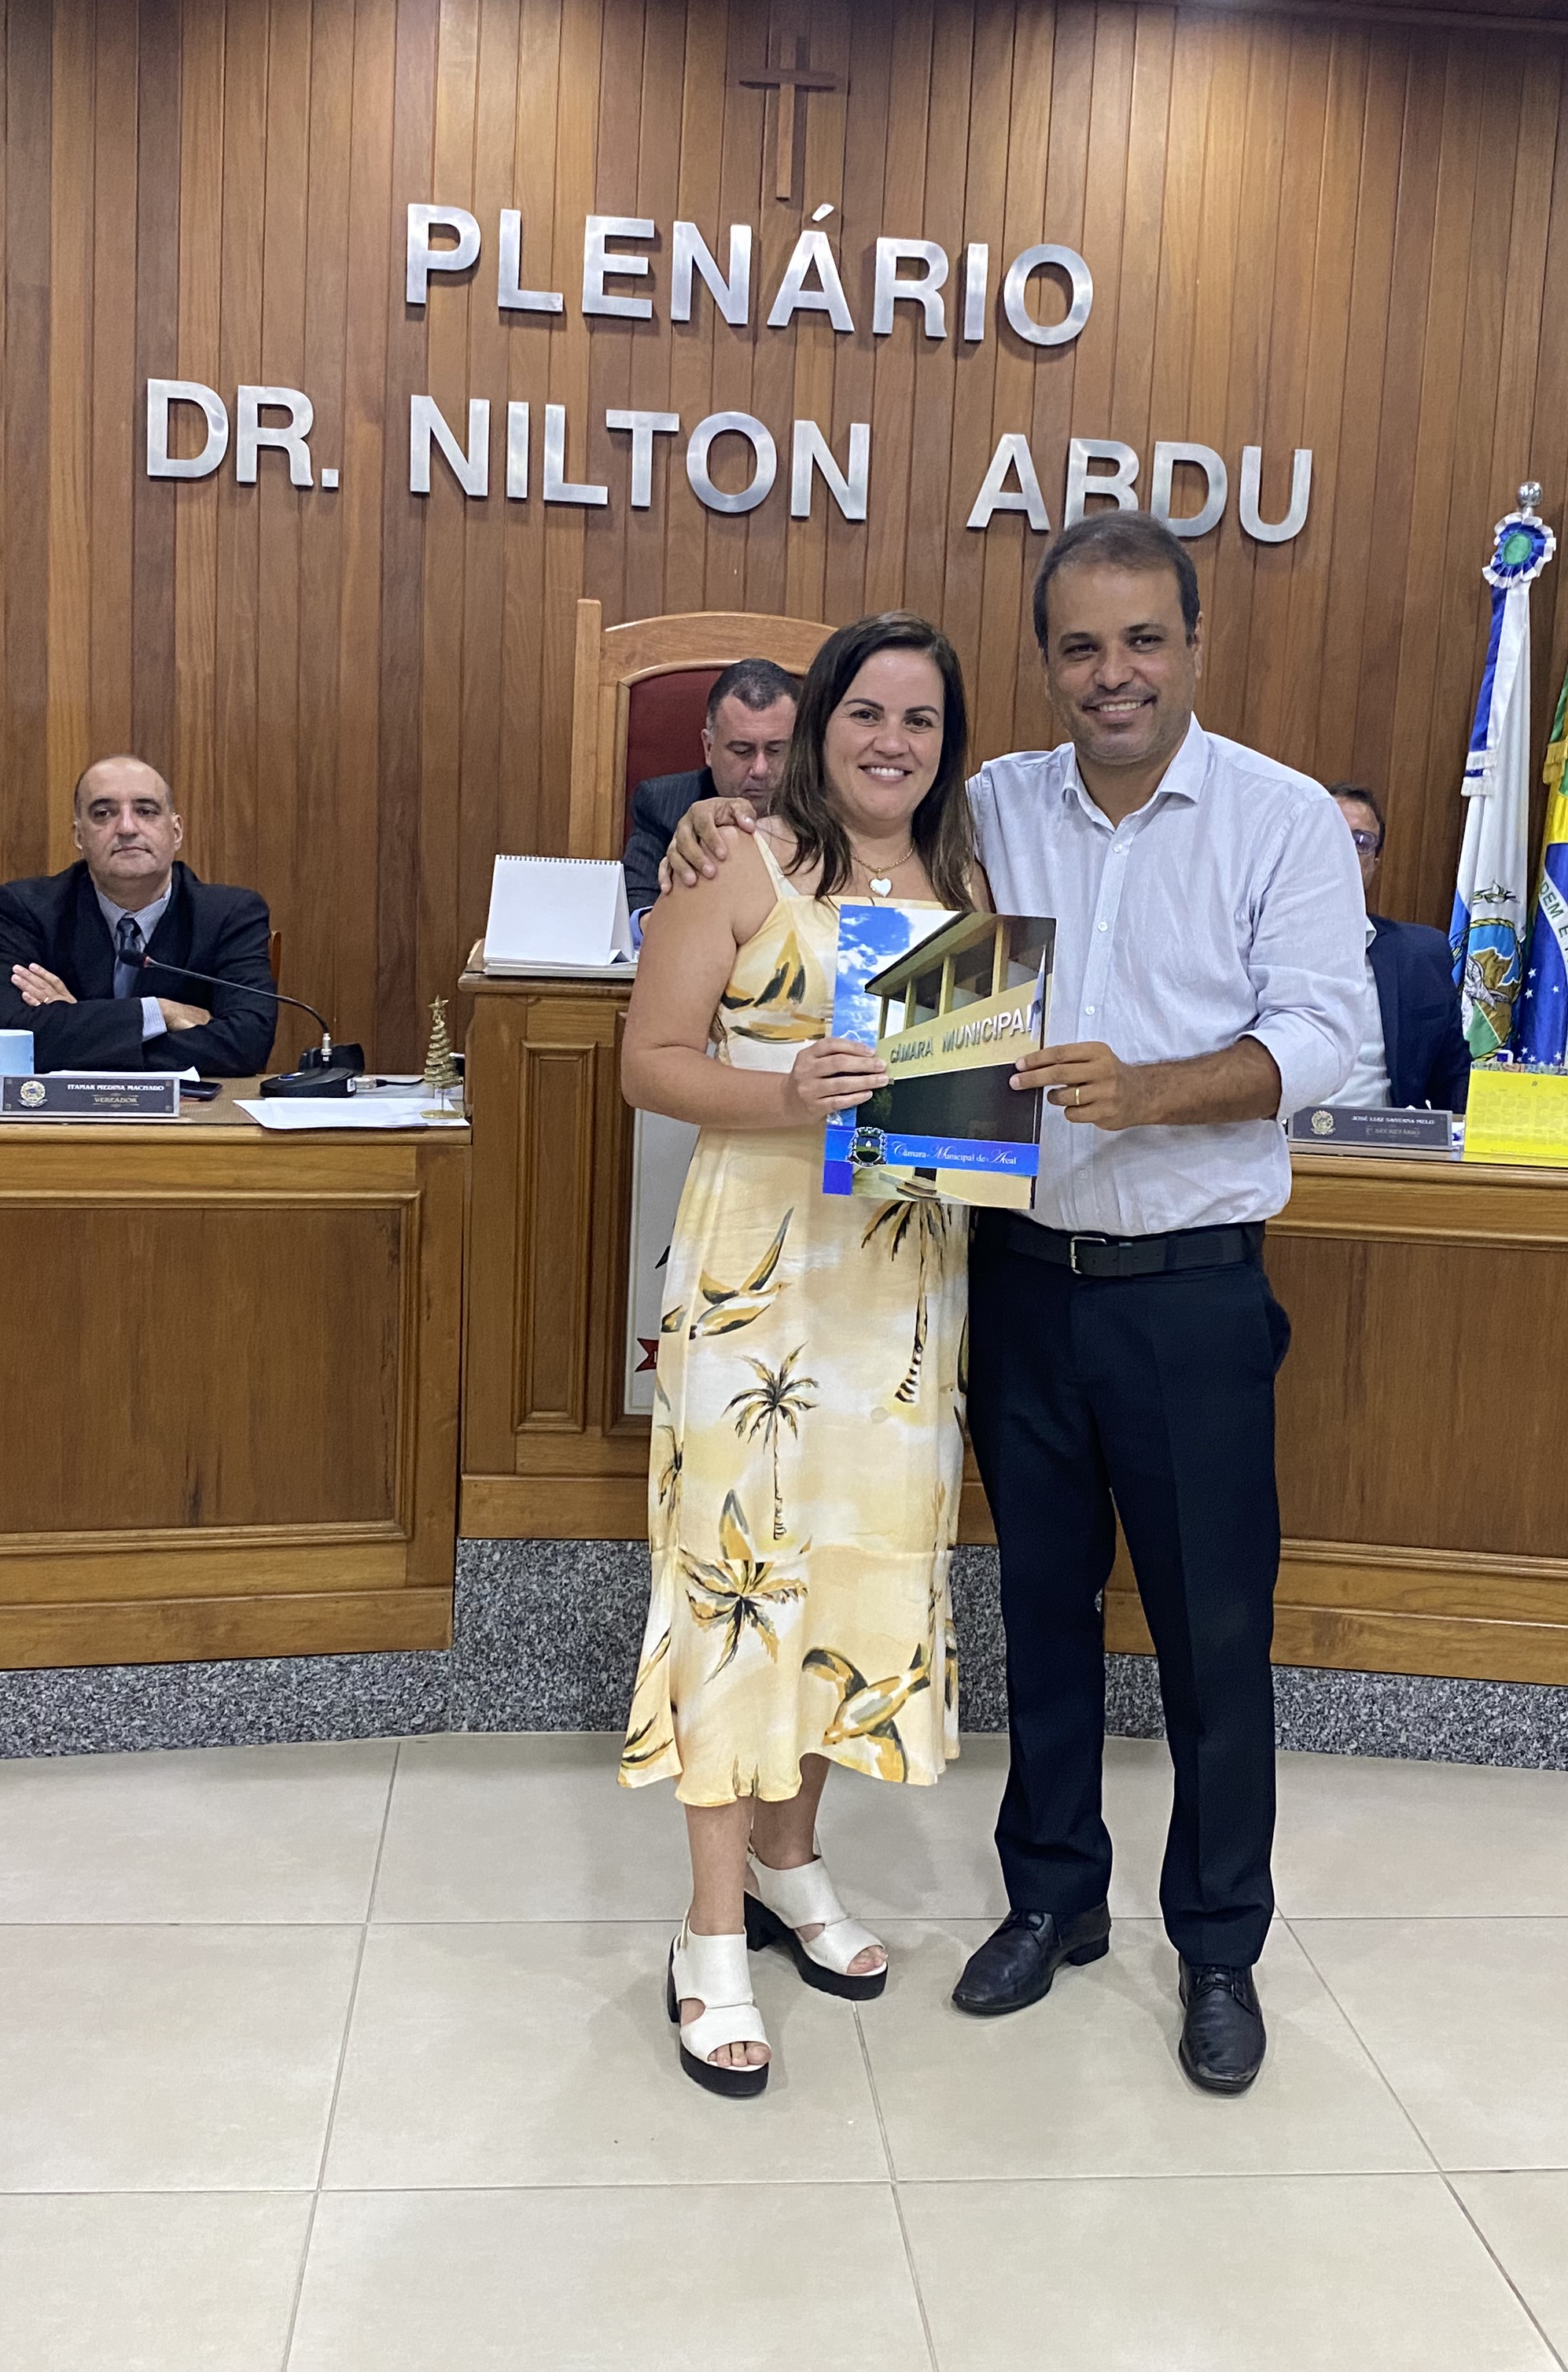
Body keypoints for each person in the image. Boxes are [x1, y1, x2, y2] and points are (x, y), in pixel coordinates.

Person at [659, 512, 1375, 2094]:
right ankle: (1054, 1901)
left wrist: (1157, 1087)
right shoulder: (988, 808)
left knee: (1212, 1636)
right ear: (1047, 660)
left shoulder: (1279, 818)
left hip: (1190, 1287)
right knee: (1041, 1617)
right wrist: (715, 820)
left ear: (1194, 644)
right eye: (1080, 645)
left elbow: (1331, 1034)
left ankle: (1219, 1947)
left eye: (1143, 640)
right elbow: (835, 834)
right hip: (1017, 1281)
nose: (1113, 673)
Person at [616, 612, 985, 2099]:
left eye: (921, 719)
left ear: (948, 743)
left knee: (848, 1572)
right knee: (736, 1581)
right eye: (867, 713)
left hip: (901, 1284)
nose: (892, 741)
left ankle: (789, 1860)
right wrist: (786, 1092)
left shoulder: (968, 889)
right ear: (822, 724)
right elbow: (648, 1060)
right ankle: (709, 1928)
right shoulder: (737, 861)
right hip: (758, 1278)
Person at [0, 756, 278, 1075]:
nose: (126, 828)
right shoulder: (29, 909)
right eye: (103, 814)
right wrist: (158, 1013)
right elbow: (3, 1036)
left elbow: (246, 1044)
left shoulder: (230, 914)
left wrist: (80, 1025)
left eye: (146, 811)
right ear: (79, 836)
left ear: (176, 832)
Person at [1328, 782, 1472, 1113]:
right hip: (1272, 1139)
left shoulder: (1420, 957)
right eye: (1332, 834)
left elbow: (1453, 1080)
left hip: (1380, 1140)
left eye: (1361, 842)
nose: (1345, 850)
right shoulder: (1250, 947)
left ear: (1374, 863)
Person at [622, 660, 800, 919]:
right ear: (708, 748)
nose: (760, 769)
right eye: (742, 751)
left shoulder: (831, 808)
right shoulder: (661, 803)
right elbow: (636, 909)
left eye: (776, 750)